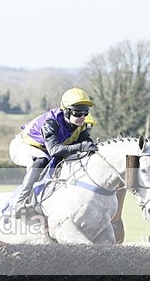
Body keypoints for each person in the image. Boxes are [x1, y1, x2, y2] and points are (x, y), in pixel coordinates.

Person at [8, 87, 99, 218]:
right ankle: (19, 202)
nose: (83, 117)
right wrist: (80, 147)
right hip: (22, 146)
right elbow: (55, 150)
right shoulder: (51, 122)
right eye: (78, 113)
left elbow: (85, 147)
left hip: (46, 150)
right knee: (41, 159)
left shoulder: (81, 126)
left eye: (85, 113)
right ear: (66, 112)